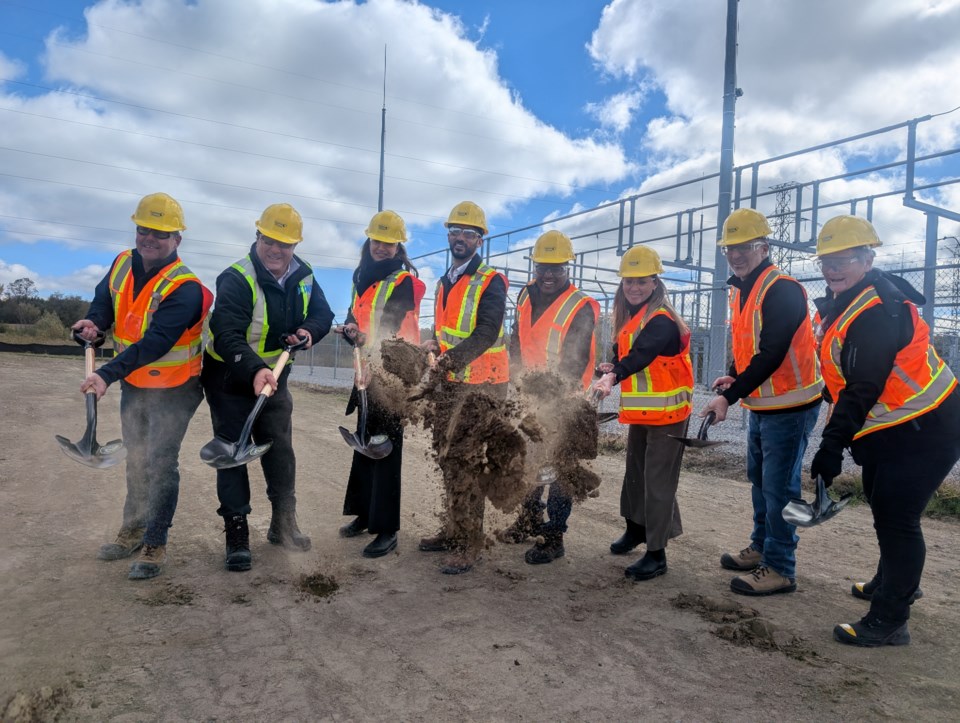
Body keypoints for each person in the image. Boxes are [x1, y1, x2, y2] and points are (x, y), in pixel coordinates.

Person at [808, 215, 960, 646]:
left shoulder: (875, 311)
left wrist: (831, 447)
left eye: (844, 259)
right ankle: (890, 579)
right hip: (897, 424)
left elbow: (864, 387)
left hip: (928, 424)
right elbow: (846, 372)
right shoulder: (848, 299)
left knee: (898, 516)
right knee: (879, 497)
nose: (833, 269)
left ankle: (891, 618)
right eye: (826, 262)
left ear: (868, 258)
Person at [72, 192, 212, 580]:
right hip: (136, 382)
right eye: (144, 230)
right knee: (136, 456)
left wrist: (104, 374)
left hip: (177, 386)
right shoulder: (121, 264)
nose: (149, 239)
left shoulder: (185, 288)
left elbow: (156, 342)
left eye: (161, 234)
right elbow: (105, 302)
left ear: (177, 240)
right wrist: (93, 324)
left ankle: (155, 542)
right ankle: (132, 529)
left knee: (160, 461)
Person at [201, 203, 333, 572]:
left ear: (295, 245)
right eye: (270, 240)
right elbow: (225, 333)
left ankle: (283, 522)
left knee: (279, 448)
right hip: (229, 375)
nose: (276, 250)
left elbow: (323, 315)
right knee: (232, 451)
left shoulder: (303, 276)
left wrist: (308, 332)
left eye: (285, 243)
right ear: (258, 236)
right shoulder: (237, 277)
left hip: (276, 377)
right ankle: (237, 531)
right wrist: (255, 369)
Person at [702, 207, 823, 596]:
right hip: (764, 404)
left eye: (744, 247)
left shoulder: (782, 289)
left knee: (779, 488)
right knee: (760, 481)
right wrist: (735, 375)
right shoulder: (744, 290)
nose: (735, 255)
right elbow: (749, 346)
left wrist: (728, 398)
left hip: (791, 405)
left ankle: (781, 566)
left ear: (764, 246)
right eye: (729, 249)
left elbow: (772, 353)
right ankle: (761, 547)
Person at [592, 246, 693, 581]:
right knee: (635, 474)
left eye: (641, 281)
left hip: (670, 414)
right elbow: (629, 354)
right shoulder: (631, 318)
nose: (633, 287)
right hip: (644, 414)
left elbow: (644, 354)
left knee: (657, 482)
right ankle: (635, 529)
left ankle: (656, 553)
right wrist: (611, 366)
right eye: (628, 281)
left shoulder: (662, 319)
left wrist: (613, 375)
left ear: (655, 282)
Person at [418, 201, 509, 575]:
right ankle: (454, 528)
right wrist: (434, 347)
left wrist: (450, 360)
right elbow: (446, 333)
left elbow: (486, 332)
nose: (460, 238)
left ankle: (470, 543)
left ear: (479, 240)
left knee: (469, 463)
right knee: (449, 459)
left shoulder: (491, 281)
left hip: (483, 386)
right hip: (452, 384)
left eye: (468, 233)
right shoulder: (444, 282)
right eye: (454, 231)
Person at [498, 230, 599, 565]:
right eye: (543, 267)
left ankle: (554, 536)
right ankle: (528, 520)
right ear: (535, 267)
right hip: (530, 396)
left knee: (558, 468)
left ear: (567, 268)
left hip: (564, 401)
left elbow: (579, 357)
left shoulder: (580, 305)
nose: (549, 274)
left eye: (556, 268)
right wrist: (516, 376)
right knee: (529, 463)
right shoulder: (526, 295)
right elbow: (517, 338)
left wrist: (556, 396)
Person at [337, 210, 426, 558]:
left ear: (398, 246)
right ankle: (363, 514)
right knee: (364, 442)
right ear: (369, 241)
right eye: (377, 241)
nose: (382, 247)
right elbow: (355, 316)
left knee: (385, 449)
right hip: (366, 371)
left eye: (389, 243)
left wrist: (374, 359)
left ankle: (386, 528)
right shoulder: (362, 278)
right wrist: (349, 330)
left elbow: (391, 325)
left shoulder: (404, 282)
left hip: (393, 376)